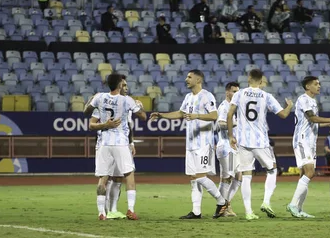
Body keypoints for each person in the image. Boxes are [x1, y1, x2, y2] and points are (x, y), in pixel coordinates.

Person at [149, 70, 229, 219]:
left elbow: (214, 115)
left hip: (203, 144)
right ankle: (196, 212)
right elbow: (180, 113)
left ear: (198, 80)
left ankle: (222, 201)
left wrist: (196, 115)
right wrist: (161, 114)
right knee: (193, 179)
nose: (186, 79)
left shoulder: (207, 95)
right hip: (191, 143)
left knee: (200, 177)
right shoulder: (188, 97)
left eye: (189, 77)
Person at [226, 68, 294, 220]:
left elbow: (229, 114)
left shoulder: (239, 94)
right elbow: (283, 115)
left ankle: (249, 212)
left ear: (249, 79)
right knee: (272, 170)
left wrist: (231, 136)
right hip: (261, 141)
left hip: (243, 141)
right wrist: (289, 106)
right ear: (261, 80)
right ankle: (266, 202)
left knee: (246, 175)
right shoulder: (266, 96)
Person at [88, 73, 147, 220]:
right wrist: (140, 106)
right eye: (124, 84)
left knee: (103, 178)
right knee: (129, 175)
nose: (125, 86)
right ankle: (130, 209)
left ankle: (102, 212)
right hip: (120, 143)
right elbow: (143, 117)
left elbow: (91, 124)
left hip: (103, 143)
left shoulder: (100, 99)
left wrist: (104, 125)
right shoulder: (127, 101)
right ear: (120, 85)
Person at [286, 76, 330, 218]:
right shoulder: (303, 99)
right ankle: (293, 205)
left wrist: (329, 124)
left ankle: (299, 210)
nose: (319, 86)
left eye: (319, 84)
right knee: (310, 172)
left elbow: (313, 123)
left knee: (304, 175)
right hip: (302, 141)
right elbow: (312, 118)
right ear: (308, 86)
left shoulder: (312, 101)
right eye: (315, 84)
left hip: (310, 142)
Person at [216, 82, 242, 216]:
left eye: (238, 91)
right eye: (234, 91)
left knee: (238, 177)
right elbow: (220, 123)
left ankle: (225, 205)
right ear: (227, 92)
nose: (236, 94)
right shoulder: (225, 107)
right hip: (226, 147)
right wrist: (235, 123)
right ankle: (223, 206)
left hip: (231, 148)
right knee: (228, 178)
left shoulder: (233, 107)